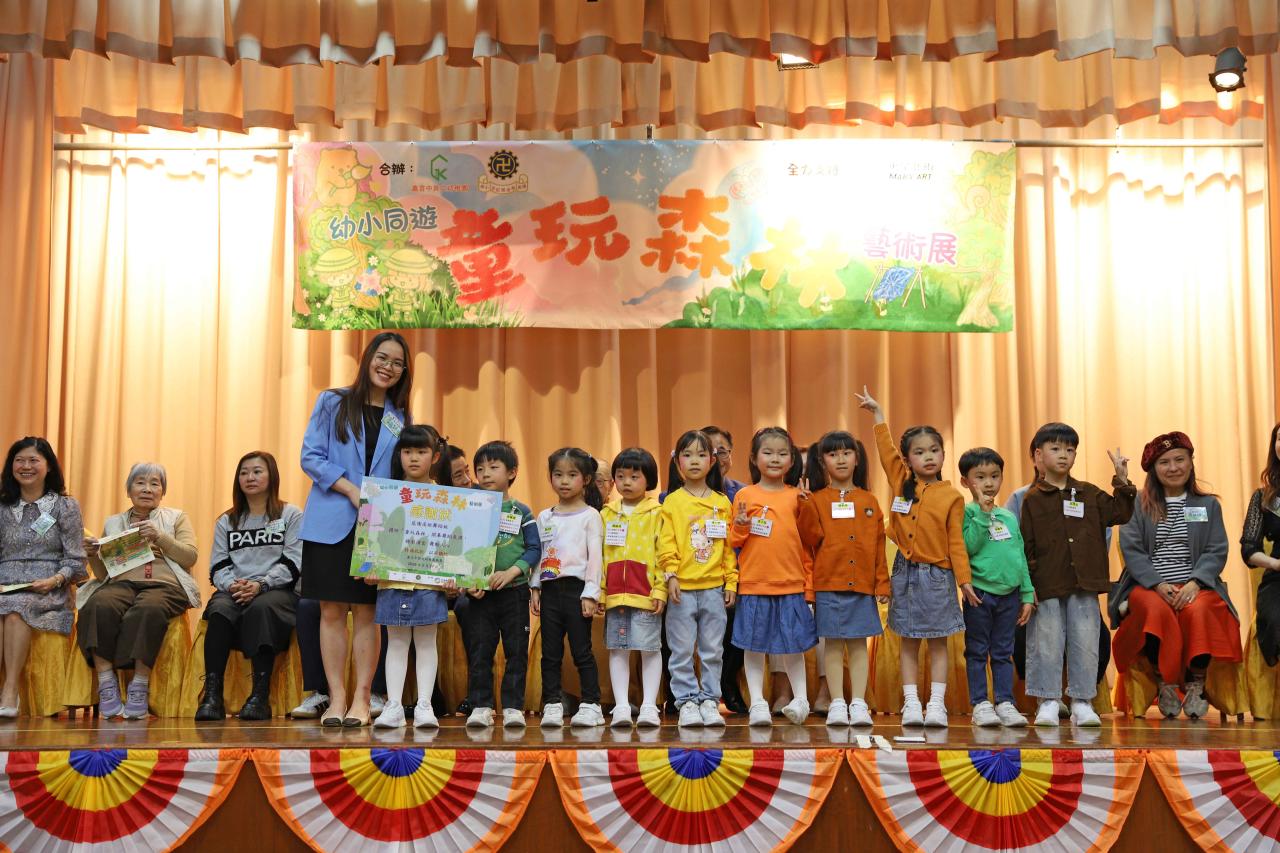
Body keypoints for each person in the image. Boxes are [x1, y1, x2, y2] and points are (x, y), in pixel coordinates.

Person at [299, 332, 412, 728]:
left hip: (379, 526)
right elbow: (310, 456)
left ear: (404, 372)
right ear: (367, 358)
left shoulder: (400, 417)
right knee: (330, 611)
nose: (388, 367)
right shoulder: (333, 402)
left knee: (367, 612)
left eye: (397, 363)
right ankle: (336, 699)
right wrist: (349, 489)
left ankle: (362, 700)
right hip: (330, 521)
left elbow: (403, 471)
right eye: (382, 357)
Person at [856, 386, 971, 729]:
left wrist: (964, 581)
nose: (929, 457)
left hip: (938, 576)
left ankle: (935, 704)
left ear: (943, 454)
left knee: (938, 642)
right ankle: (911, 703)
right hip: (905, 572)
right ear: (908, 460)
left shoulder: (952, 496)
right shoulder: (901, 481)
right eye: (920, 452)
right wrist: (878, 415)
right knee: (907, 640)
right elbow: (886, 452)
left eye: (934, 450)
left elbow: (956, 543)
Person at [1112, 432, 1240, 719]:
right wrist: (1157, 584)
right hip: (1149, 586)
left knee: (1200, 610)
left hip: (1198, 586)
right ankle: (1164, 683)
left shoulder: (1208, 505)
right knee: (1155, 610)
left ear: (1191, 462)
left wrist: (1195, 583)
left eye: (1179, 460)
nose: (1173, 468)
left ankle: (1196, 683)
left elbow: (1216, 549)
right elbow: (1132, 549)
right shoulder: (1138, 504)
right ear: (1153, 469)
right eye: (1164, 462)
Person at [1020, 422, 1134, 727]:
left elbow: (1120, 513)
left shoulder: (1089, 493)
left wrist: (1122, 479)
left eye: (1070, 450)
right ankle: (1047, 700)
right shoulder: (1032, 499)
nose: (1063, 455)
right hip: (1046, 583)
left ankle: (1082, 701)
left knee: (1085, 640)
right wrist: (1027, 585)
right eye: (1055, 448)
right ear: (1038, 455)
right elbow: (1025, 545)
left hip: (1084, 582)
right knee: (1046, 642)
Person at [80, 462, 200, 719]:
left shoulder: (176, 517)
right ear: (129, 490)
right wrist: (92, 555)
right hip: (122, 584)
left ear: (162, 491)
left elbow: (190, 557)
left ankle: (139, 686)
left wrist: (160, 537)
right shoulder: (114, 522)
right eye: (140, 483)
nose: (147, 489)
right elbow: (102, 574)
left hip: (165, 585)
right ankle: (106, 682)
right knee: (97, 604)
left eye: (155, 483)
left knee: (148, 608)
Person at [195, 452, 302, 722]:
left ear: (271, 476)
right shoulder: (227, 520)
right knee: (219, 609)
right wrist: (234, 586)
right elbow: (218, 566)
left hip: (279, 591)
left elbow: (293, 561)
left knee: (261, 608)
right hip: (236, 590)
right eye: (244, 473)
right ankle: (212, 695)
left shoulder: (290, 514)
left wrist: (261, 584)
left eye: (257, 471)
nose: (249, 477)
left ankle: (259, 696)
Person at [798, 431, 887, 727]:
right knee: (833, 645)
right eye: (833, 454)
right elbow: (810, 538)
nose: (840, 459)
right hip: (829, 584)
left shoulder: (869, 500)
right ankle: (837, 702)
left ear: (857, 458)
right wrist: (805, 505)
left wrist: (882, 583)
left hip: (861, 585)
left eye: (846, 453)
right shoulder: (817, 499)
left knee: (859, 644)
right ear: (822, 461)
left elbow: (878, 547)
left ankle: (858, 702)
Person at [730, 427, 817, 727]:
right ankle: (757, 703)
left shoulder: (797, 495)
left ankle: (801, 700)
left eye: (782, 453)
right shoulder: (745, 495)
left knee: (793, 645)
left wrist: (807, 506)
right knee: (753, 646)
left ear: (792, 460)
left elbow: (809, 540)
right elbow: (734, 540)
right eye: (768, 452)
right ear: (754, 458)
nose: (775, 459)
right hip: (754, 583)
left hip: (791, 584)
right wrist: (741, 524)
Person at [373, 426, 453, 729]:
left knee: (426, 642)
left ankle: (424, 706)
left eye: (421, 452)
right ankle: (393, 705)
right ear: (399, 455)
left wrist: (454, 574)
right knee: (395, 642)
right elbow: (374, 534)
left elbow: (453, 541)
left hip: (430, 584)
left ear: (435, 456)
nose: (414, 458)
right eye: (407, 451)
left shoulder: (446, 497)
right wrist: (370, 566)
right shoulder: (385, 493)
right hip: (392, 581)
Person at [0, 438, 86, 718]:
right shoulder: (2, 507)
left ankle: (10, 691)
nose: (25, 466)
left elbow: (76, 560)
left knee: (17, 610)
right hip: (4, 583)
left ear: (48, 466)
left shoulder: (64, 507)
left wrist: (56, 580)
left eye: (33, 460)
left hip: (46, 588)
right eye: (19, 460)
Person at [659, 430, 738, 727]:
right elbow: (666, 543)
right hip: (682, 589)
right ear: (677, 462)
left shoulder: (722, 502)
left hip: (714, 588)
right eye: (688, 455)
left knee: (713, 650)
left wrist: (731, 581)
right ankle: (687, 701)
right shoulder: (672, 502)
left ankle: (709, 700)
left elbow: (729, 547)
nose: (694, 461)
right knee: (680, 650)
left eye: (701, 455)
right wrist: (671, 575)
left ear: (712, 461)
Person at [463, 441, 540, 729]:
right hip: (480, 596)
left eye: (493, 467)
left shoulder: (522, 511)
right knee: (480, 652)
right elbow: (461, 549)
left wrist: (512, 572)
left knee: (516, 652)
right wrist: (469, 583)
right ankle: (481, 706)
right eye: (480, 468)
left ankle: (513, 707)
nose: (485, 474)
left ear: (512, 472)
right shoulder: (470, 509)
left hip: (514, 593)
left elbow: (534, 549)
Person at [958, 447, 1034, 728]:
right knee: (977, 650)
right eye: (980, 477)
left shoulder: (1009, 517)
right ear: (965, 481)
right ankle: (980, 703)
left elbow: (1019, 556)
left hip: (1010, 596)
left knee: (1003, 651)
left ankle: (1005, 702)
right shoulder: (965, 513)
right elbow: (968, 548)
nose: (988, 483)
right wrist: (982, 514)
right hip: (979, 594)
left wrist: (1027, 593)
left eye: (994, 476)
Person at [531, 447, 605, 728]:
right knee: (550, 653)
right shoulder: (544, 517)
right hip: (550, 590)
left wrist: (591, 593)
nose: (564, 481)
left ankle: (591, 704)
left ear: (586, 479)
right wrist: (535, 587)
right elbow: (539, 554)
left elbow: (595, 557)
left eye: (572, 475)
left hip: (577, 591)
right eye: (558, 474)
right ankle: (552, 703)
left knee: (581, 651)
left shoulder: (591, 516)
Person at [600, 448, 666, 728]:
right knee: (617, 649)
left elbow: (664, 554)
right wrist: (601, 591)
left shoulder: (658, 513)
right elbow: (600, 556)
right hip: (615, 595)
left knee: (650, 648)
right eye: (620, 476)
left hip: (646, 594)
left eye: (634, 476)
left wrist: (660, 590)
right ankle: (622, 706)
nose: (626, 482)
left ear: (648, 479)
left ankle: (649, 705)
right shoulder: (606, 514)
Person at [702, 425, 748, 713]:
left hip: (735, 576)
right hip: (692, 576)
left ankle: (727, 683)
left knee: (742, 617)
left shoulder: (743, 493)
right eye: (708, 451)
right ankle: (676, 693)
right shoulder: (670, 497)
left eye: (722, 451)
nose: (716, 457)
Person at [1245, 423, 1280, 668]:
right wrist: (1275, 564)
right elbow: (1249, 550)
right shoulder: (1264, 497)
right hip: (1277, 578)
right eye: (1279, 438)